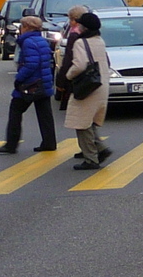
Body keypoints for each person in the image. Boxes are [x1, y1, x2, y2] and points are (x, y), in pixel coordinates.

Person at [0, 16, 57, 154]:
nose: (20, 30)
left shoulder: (28, 42)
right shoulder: (42, 41)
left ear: (27, 28)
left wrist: (19, 79)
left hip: (30, 84)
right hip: (43, 83)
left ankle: (11, 144)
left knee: (15, 111)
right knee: (45, 114)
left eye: (22, 26)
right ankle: (49, 142)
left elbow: (31, 65)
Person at [59, 11, 112, 170]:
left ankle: (91, 158)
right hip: (100, 84)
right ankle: (99, 149)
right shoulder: (99, 41)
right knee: (88, 120)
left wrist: (68, 76)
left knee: (82, 123)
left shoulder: (81, 43)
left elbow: (80, 65)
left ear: (84, 27)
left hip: (87, 87)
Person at [54, 5, 89, 112]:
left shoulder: (74, 34)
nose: (69, 23)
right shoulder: (90, 32)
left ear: (75, 20)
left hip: (76, 76)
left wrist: (61, 80)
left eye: (70, 19)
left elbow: (69, 58)